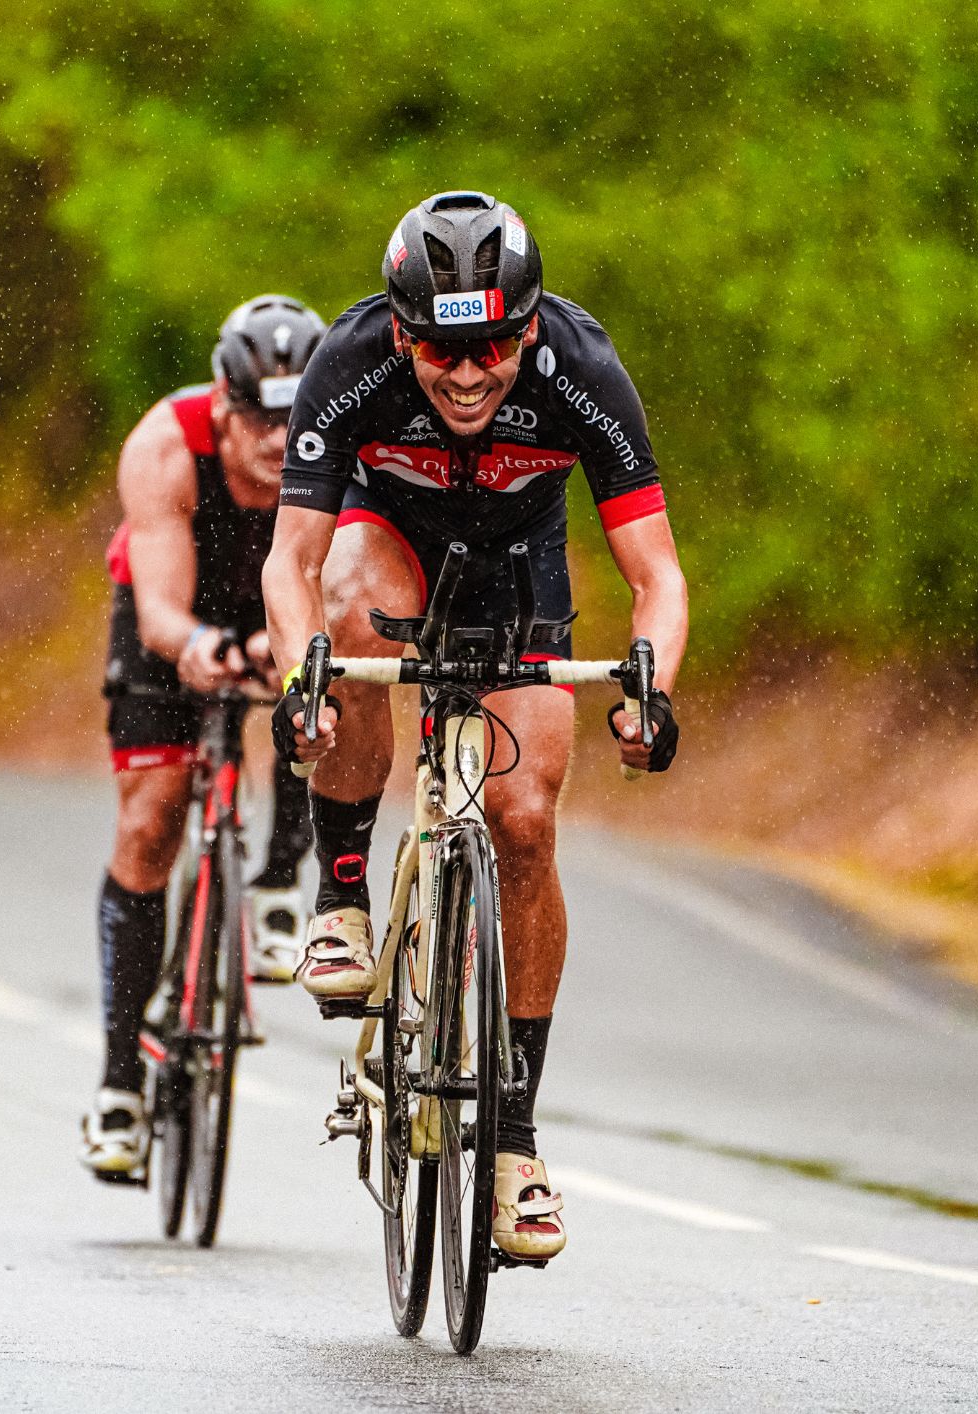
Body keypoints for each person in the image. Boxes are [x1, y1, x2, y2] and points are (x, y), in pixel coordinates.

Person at [262, 194, 689, 1259]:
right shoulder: (353, 358)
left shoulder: (580, 370)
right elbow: (292, 563)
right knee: (348, 616)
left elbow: (656, 575)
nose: (466, 373)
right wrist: (297, 683)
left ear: (530, 326)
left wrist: (652, 693)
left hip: (515, 570)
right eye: (440, 349)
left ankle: (510, 1143)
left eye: (492, 344)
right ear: (400, 332)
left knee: (525, 818)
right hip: (382, 536)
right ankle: (344, 895)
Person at [82, 295, 328, 1178]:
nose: (279, 436)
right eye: (262, 414)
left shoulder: (334, 443)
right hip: (176, 613)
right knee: (152, 820)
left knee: (323, 699)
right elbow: (156, 611)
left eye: (295, 415)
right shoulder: (163, 445)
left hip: (284, 609)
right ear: (224, 405)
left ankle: (274, 880)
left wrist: (284, 648)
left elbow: (341, 580)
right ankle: (118, 1083)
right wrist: (200, 647)